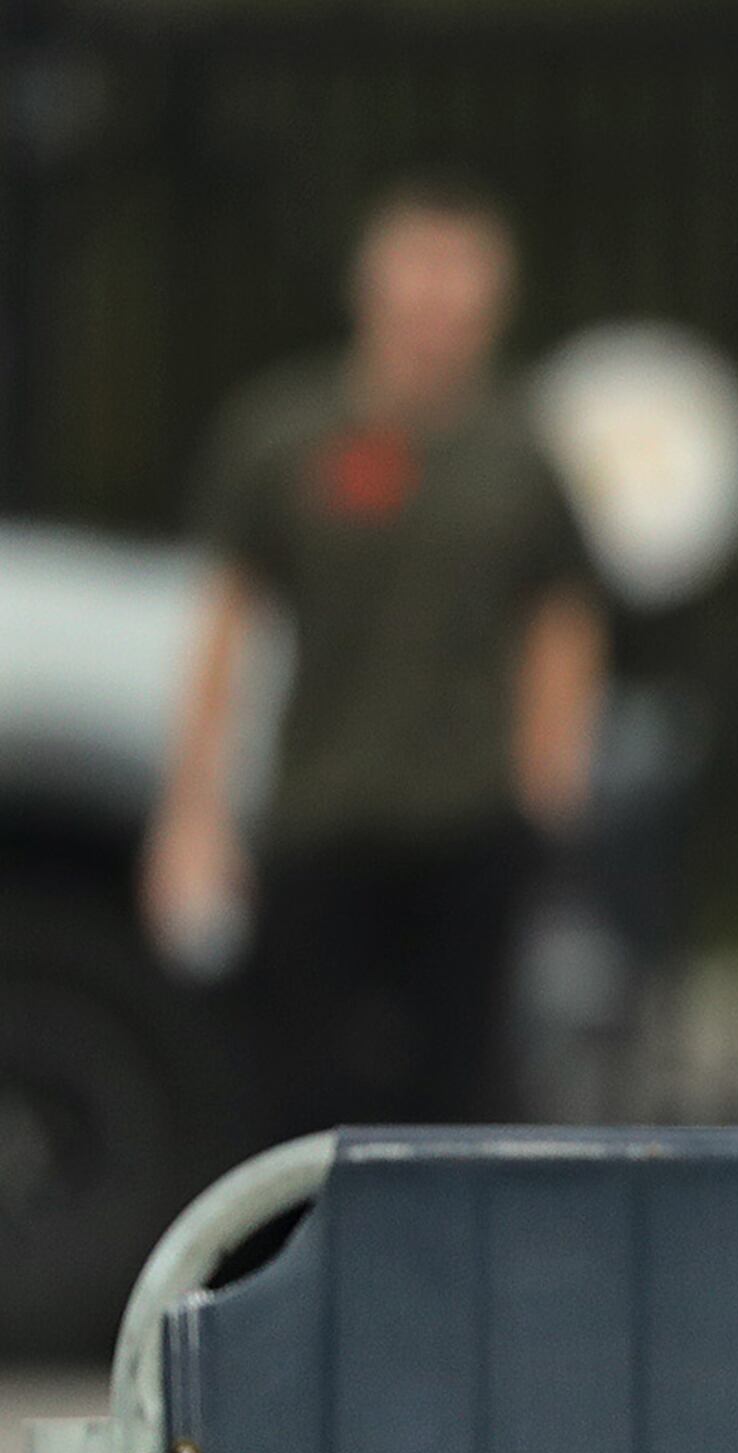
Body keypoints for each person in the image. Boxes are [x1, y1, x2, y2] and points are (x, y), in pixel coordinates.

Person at [141, 174, 606, 1133]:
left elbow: (563, 620)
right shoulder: (281, 435)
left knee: (464, 1100)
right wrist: (193, 810)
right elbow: (224, 625)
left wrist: (547, 788)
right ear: (370, 282)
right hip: (320, 818)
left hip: (472, 823)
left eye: (460, 273)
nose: (437, 298)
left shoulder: (525, 450)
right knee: (301, 1098)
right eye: (419, 269)